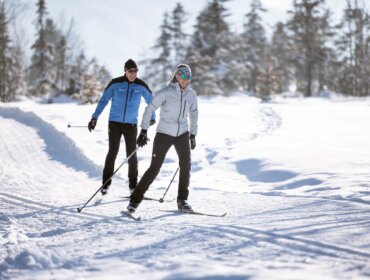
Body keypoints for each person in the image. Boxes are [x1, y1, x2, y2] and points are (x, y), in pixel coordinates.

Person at [127, 64, 198, 213]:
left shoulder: (191, 95)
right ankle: (135, 200)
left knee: (186, 165)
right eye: (183, 76)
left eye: (189, 77)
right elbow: (150, 109)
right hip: (164, 134)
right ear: (177, 76)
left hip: (182, 134)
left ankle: (182, 200)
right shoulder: (165, 93)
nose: (186, 80)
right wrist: (144, 130)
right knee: (155, 168)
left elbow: (194, 113)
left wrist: (193, 134)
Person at [88, 59, 156, 195]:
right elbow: (103, 100)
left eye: (135, 71)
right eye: (130, 71)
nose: (133, 74)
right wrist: (94, 117)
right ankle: (105, 184)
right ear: (125, 71)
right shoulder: (115, 83)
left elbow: (152, 102)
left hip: (131, 125)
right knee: (112, 152)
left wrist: (152, 118)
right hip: (114, 123)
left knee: (132, 155)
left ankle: (133, 186)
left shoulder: (141, 85)